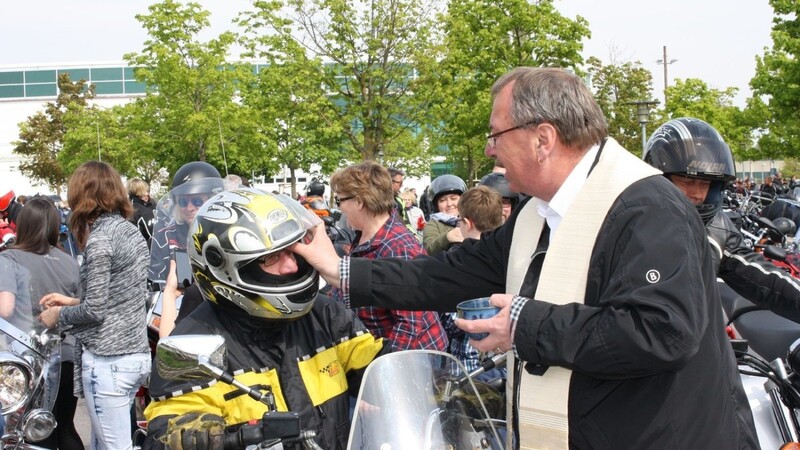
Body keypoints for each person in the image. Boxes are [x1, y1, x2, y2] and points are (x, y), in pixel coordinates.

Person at [291, 67, 758, 449]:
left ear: (543, 139)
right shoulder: (538, 213)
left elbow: (663, 332)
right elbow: (442, 274)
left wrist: (524, 325)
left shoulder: (647, 208)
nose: (490, 148)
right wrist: (338, 268)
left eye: (496, 134)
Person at [143, 188, 389, 450]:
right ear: (227, 267)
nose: (291, 266)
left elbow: (379, 367)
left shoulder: (325, 316)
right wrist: (190, 431)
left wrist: (430, 384)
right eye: (270, 257)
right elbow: (168, 422)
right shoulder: (194, 340)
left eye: (291, 251)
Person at [39, 161, 151, 450]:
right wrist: (72, 301)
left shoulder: (101, 238)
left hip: (108, 361)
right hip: (133, 356)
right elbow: (120, 299)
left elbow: (95, 311)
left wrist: (57, 315)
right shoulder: (129, 232)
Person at [644, 117, 800, 323]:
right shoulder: (629, 225)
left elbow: (765, 279)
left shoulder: (716, 230)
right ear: (659, 176)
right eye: (688, 181)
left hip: (698, 347)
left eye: (706, 183)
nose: (698, 194)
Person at [329, 161, 447, 352]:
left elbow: (409, 326)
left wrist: (386, 371)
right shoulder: (366, 236)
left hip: (411, 366)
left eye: (339, 200)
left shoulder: (396, 247)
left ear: (359, 202)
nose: (339, 208)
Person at [0, 196, 84, 450]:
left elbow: (5, 308)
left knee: (32, 432)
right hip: (69, 353)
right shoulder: (69, 261)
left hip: (30, 358)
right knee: (65, 427)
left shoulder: (9, 258)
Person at [441, 185, 506, 381]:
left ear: (467, 223)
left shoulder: (459, 263)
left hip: (468, 366)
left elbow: (451, 323)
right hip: (505, 361)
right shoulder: (509, 255)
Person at [148, 161, 225, 284]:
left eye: (197, 201)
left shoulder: (227, 234)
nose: (189, 208)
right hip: (180, 300)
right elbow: (156, 280)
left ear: (214, 199)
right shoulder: (165, 237)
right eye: (183, 202)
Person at [422, 174, 467, 256]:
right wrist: (447, 237)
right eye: (442, 200)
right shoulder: (433, 224)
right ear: (436, 205)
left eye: (453, 198)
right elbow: (428, 249)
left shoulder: (473, 219)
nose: (449, 204)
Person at [127, 178, 156, 248]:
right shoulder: (133, 209)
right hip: (145, 250)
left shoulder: (153, 203)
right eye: (142, 192)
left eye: (146, 191)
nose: (146, 194)